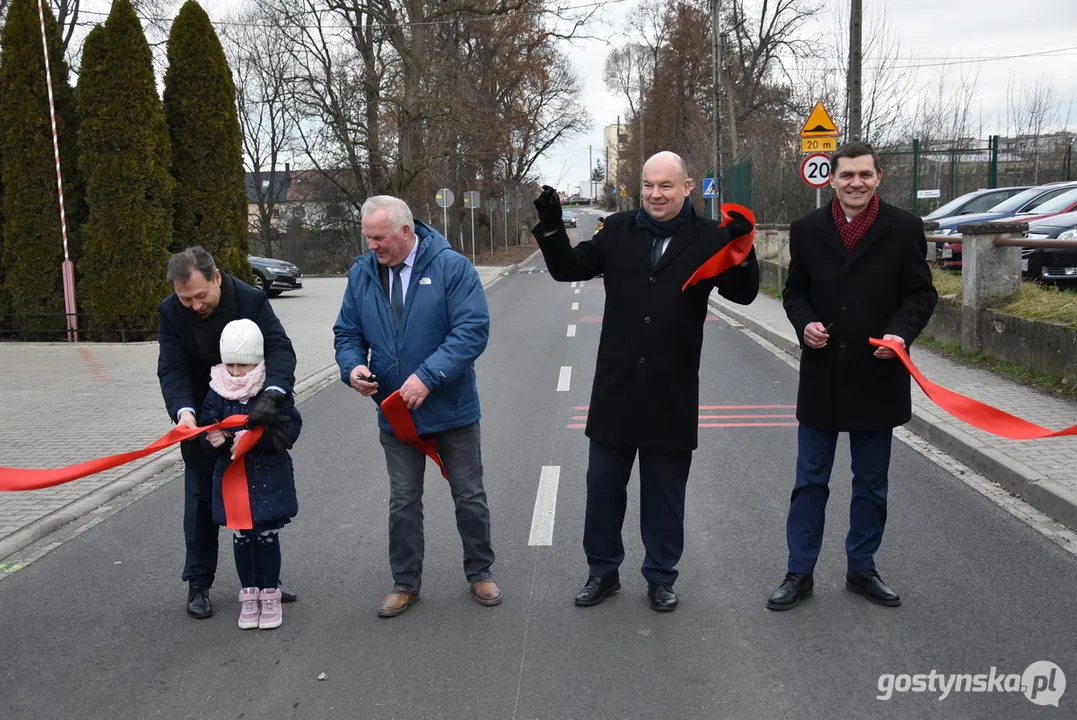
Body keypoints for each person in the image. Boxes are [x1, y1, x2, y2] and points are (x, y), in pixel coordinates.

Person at [532, 151, 760, 612]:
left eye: (666, 186)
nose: (656, 195)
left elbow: (744, 293)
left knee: (664, 493)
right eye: (649, 186)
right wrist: (553, 224)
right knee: (602, 486)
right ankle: (602, 571)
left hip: (671, 389)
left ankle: (660, 575)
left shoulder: (708, 237)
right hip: (616, 387)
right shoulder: (617, 230)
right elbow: (566, 269)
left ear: (687, 187)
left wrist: (743, 250)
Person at [767, 141, 938, 611]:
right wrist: (804, 325)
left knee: (871, 482)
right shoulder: (807, 229)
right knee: (809, 481)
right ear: (833, 179)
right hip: (822, 375)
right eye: (847, 176)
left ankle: (862, 568)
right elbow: (794, 292)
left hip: (877, 375)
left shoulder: (903, 228)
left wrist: (900, 335)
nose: (856, 183)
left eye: (864, 175)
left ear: (878, 177)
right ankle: (798, 572)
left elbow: (920, 296)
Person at [333, 195, 500, 618]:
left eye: (380, 237)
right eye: (367, 237)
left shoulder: (452, 267)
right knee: (403, 500)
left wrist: (428, 376)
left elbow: (472, 330)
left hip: (453, 409)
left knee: (468, 495)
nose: (372, 246)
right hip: (395, 412)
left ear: (406, 232)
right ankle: (405, 582)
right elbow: (346, 332)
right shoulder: (362, 273)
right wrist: (352, 368)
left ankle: (480, 571)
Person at [157, 246, 298, 619]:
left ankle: (268, 581)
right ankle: (199, 582)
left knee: (259, 501)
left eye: (200, 295)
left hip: (254, 409)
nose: (194, 305)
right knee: (202, 500)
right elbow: (171, 369)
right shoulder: (172, 312)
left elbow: (281, 349)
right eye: (185, 298)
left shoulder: (250, 299)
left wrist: (274, 395)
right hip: (205, 414)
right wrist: (185, 414)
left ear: (216, 277)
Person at [200, 319, 301, 630]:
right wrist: (215, 438)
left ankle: (270, 593)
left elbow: (291, 425)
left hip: (268, 476)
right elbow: (209, 420)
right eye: (230, 364)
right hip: (233, 479)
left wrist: (267, 438)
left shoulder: (271, 391)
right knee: (241, 537)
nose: (236, 372)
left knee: (267, 536)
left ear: (257, 362)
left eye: (243, 365)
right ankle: (249, 594)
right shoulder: (217, 390)